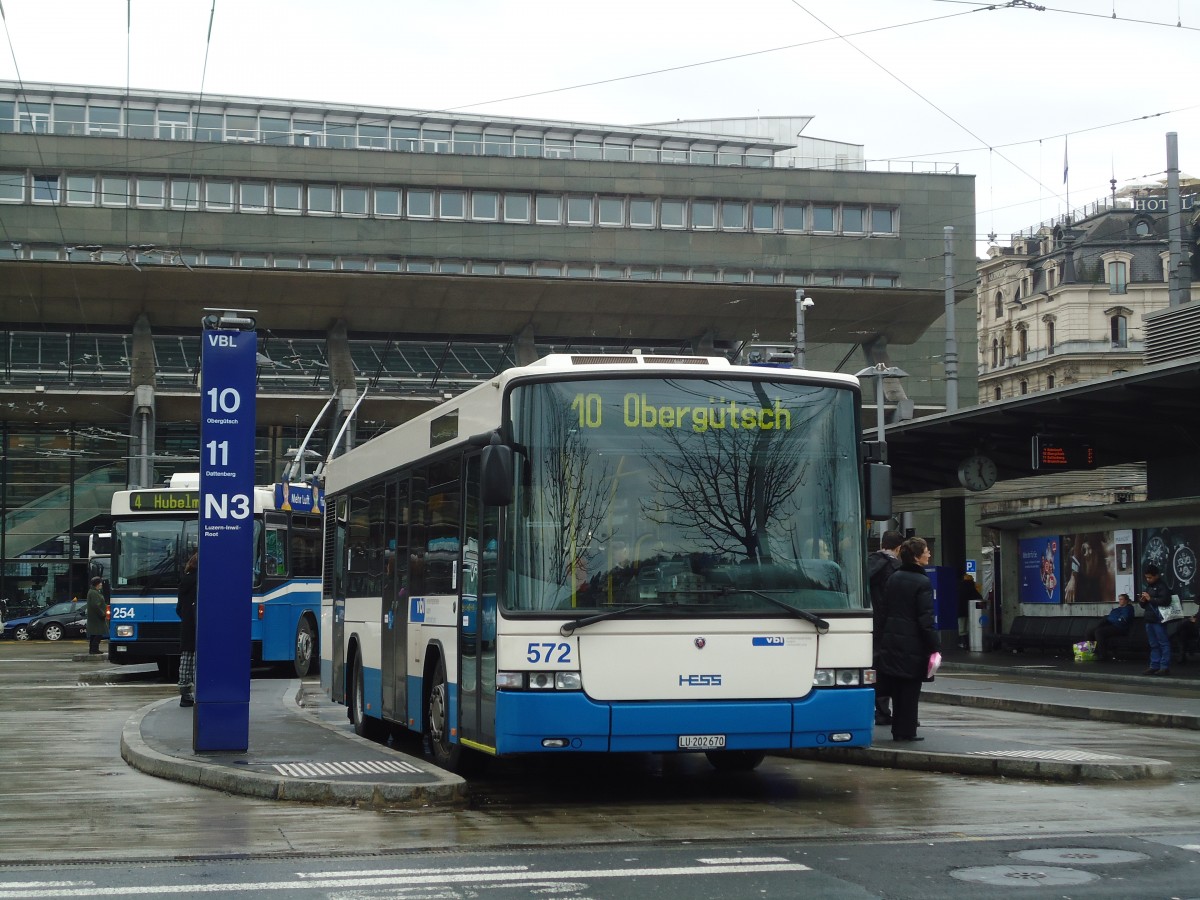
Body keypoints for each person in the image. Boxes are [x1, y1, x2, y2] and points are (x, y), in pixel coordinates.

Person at [875, 536, 941, 742]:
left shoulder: (893, 577)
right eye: (926, 550)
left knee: (897, 686)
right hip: (912, 643)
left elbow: (884, 611)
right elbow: (925, 618)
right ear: (915, 556)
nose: (929, 553)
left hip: (892, 641)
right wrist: (935, 645)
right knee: (910, 690)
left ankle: (899, 729)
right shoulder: (922, 581)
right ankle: (906, 731)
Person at [867, 530, 903, 726]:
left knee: (872, 667)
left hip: (869, 623)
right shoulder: (895, 568)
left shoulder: (866, 563)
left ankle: (877, 709)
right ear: (898, 548)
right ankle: (889, 711)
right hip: (888, 625)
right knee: (890, 668)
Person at [1136, 564, 1172, 676]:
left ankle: (1164, 666)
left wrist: (1150, 598)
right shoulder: (1149, 587)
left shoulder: (1162, 586)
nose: (1148, 580)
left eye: (1150, 577)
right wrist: (1142, 600)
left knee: (1163, 643)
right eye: (1146, 577)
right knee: (1153, 644)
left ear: (1156, 576)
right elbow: (1143, 605)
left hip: (1158, 619)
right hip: (1149, 619)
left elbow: (1165, 601)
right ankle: (1154, 665)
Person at [176, 553, 199, 707]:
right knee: (198, 658)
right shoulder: (201, 580)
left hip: (187, 624)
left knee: (186, 656)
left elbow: (178, 608)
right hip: (198, 624)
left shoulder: (185, 579)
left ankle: (185, 692)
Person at [1084, 593, 1133, 661]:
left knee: (1099, 632)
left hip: (1120, 628)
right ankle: (1090, 652)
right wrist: (1113, 619)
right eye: (1119, 599)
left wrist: (1112, 619)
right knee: (1089, 632)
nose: (1120, 601)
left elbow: (1123, 619)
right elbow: (1112, 618)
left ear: (1126, 600)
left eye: (1121, 599)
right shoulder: (1116, 610)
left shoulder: (1128, 609)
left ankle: (1103, 655)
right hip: (1111, 625)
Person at [957, 573, 982, 649]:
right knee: (969, 628)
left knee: (962, 629)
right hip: (972, 612)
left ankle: (964, 643)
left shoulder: (959, 588)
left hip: (961, 611)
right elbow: (979, 597)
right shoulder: (972, 588)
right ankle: (970, 644)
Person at [85, 576, 106, 655]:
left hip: (95, 617)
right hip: (96, 617)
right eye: (100, 583)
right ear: (97, 584)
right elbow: (95, 605)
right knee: (98, 634)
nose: (101, 584)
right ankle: (94, 649)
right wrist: (102, 613)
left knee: (95, 634)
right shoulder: (93, 593)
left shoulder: (94, 592)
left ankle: (93, 649)